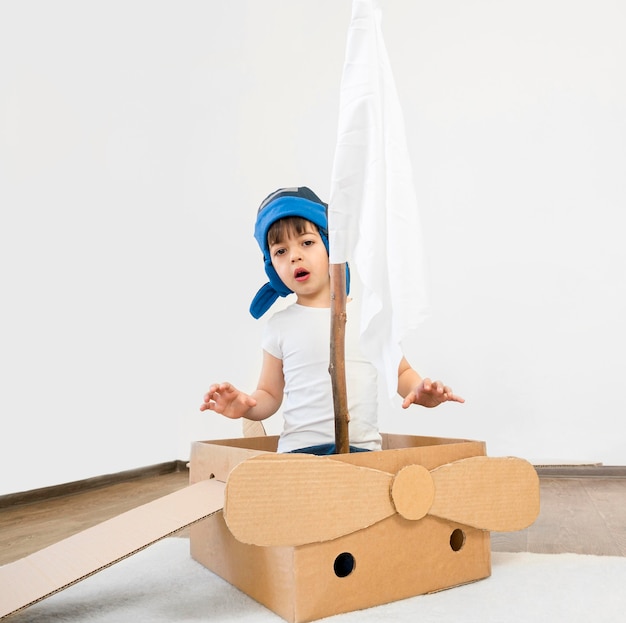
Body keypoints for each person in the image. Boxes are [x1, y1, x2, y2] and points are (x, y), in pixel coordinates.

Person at [200, 186, 464, 455]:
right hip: (298, 454)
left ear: (331, 248)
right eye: (280, 251)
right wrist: (246, 405)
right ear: (272, 267)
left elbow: (400, 372)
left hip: (361, 454)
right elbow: (268, 394)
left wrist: (420, 391)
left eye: (307, 242)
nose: (294, 256)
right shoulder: (279, 326)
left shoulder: (368, 316)